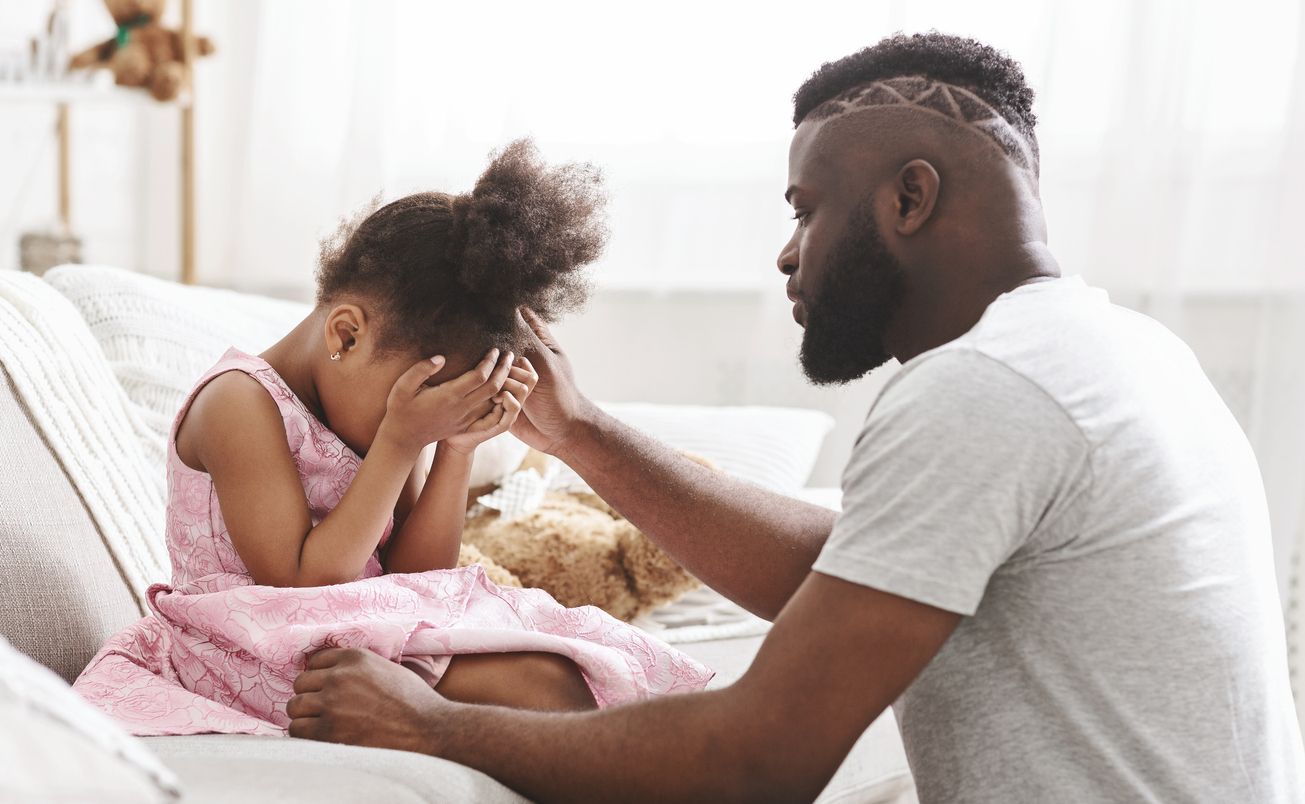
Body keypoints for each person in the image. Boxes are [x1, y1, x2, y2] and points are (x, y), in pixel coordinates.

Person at [286, 33, 1305, 803]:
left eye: (804, 209)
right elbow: (842, 574)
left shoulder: (985, 389)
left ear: (910, 197)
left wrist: (432, 726)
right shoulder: (1114, 352)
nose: (786, 253)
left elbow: (756, 765)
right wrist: (577, 431)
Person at [72, 139, 713, 737]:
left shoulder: (392, 424)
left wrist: (453, 450)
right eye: (419, 409)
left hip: (362, 629)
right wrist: (403, 440)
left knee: (574, 669)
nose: (418, 425)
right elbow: (300, 581)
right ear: (346, 334)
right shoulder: (239, 402)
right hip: (250, 644)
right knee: (540, 688)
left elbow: (415, 575)